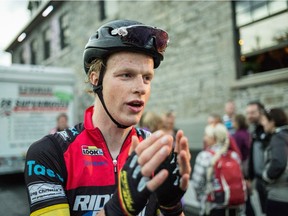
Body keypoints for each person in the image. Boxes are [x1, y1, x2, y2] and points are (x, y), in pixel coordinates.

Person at [24, 19, 191, 216]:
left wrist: (172, 207)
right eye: (126, 75)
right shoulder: (49, 153)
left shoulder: (153, 151)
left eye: (147, 77)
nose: (141, 87)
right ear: (96, 78)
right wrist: (119, 208)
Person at [192, 123, 244, 216]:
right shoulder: (234, 156)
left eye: (206, 135)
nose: (204, 138)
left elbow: (197, 183)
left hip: (212, 207)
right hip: (234, 207)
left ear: (213, 138)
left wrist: (202, 199)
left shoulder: (204, 156)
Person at [260, 108, 288, 216]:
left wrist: (266, 176)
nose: (262, 124)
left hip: (279, 196)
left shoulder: (278, 138)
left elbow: (278, 163)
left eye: (264, 120)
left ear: (272, 122)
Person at [245, 101, 270, 215]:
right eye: (248, 113)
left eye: (253, 112)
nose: (249, 115)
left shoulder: (268, 130)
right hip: (259, 179)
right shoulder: (254, 131)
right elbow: (252, 155)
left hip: (270, 180)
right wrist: (249, 177)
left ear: (261, 112)